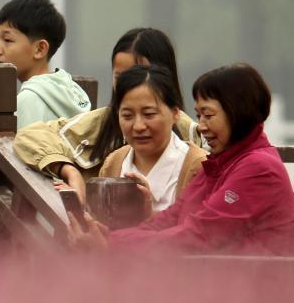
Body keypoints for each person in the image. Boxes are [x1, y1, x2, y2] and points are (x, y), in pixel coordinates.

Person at [69, 64, 294, 255]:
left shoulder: (258, 168)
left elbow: (200, 235)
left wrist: (113, 245)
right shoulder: (218, 164)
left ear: (238, 112)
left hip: (258, 293)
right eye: (198, 116)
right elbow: (171, 218)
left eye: (209, 115)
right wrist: (107, 236)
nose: (202, 126)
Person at [14, 27, 206, 203]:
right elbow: (29, 136)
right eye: (120, 77)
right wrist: (70, 172)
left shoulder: (195, 153)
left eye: (149, 114)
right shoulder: (113, 159)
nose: (138, 126)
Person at [98, 65, 207, 215]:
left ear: (175, 113)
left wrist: (149, 215)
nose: (138, 126)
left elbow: (196, 234)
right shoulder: (113, 163)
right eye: (127, 116)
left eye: (149, 114)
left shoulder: (198, 167)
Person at [0, 0, 90, 128]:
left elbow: (26, 149)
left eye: (8, 40)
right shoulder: (74, 93)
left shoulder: (28, 100)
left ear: (40, 49)